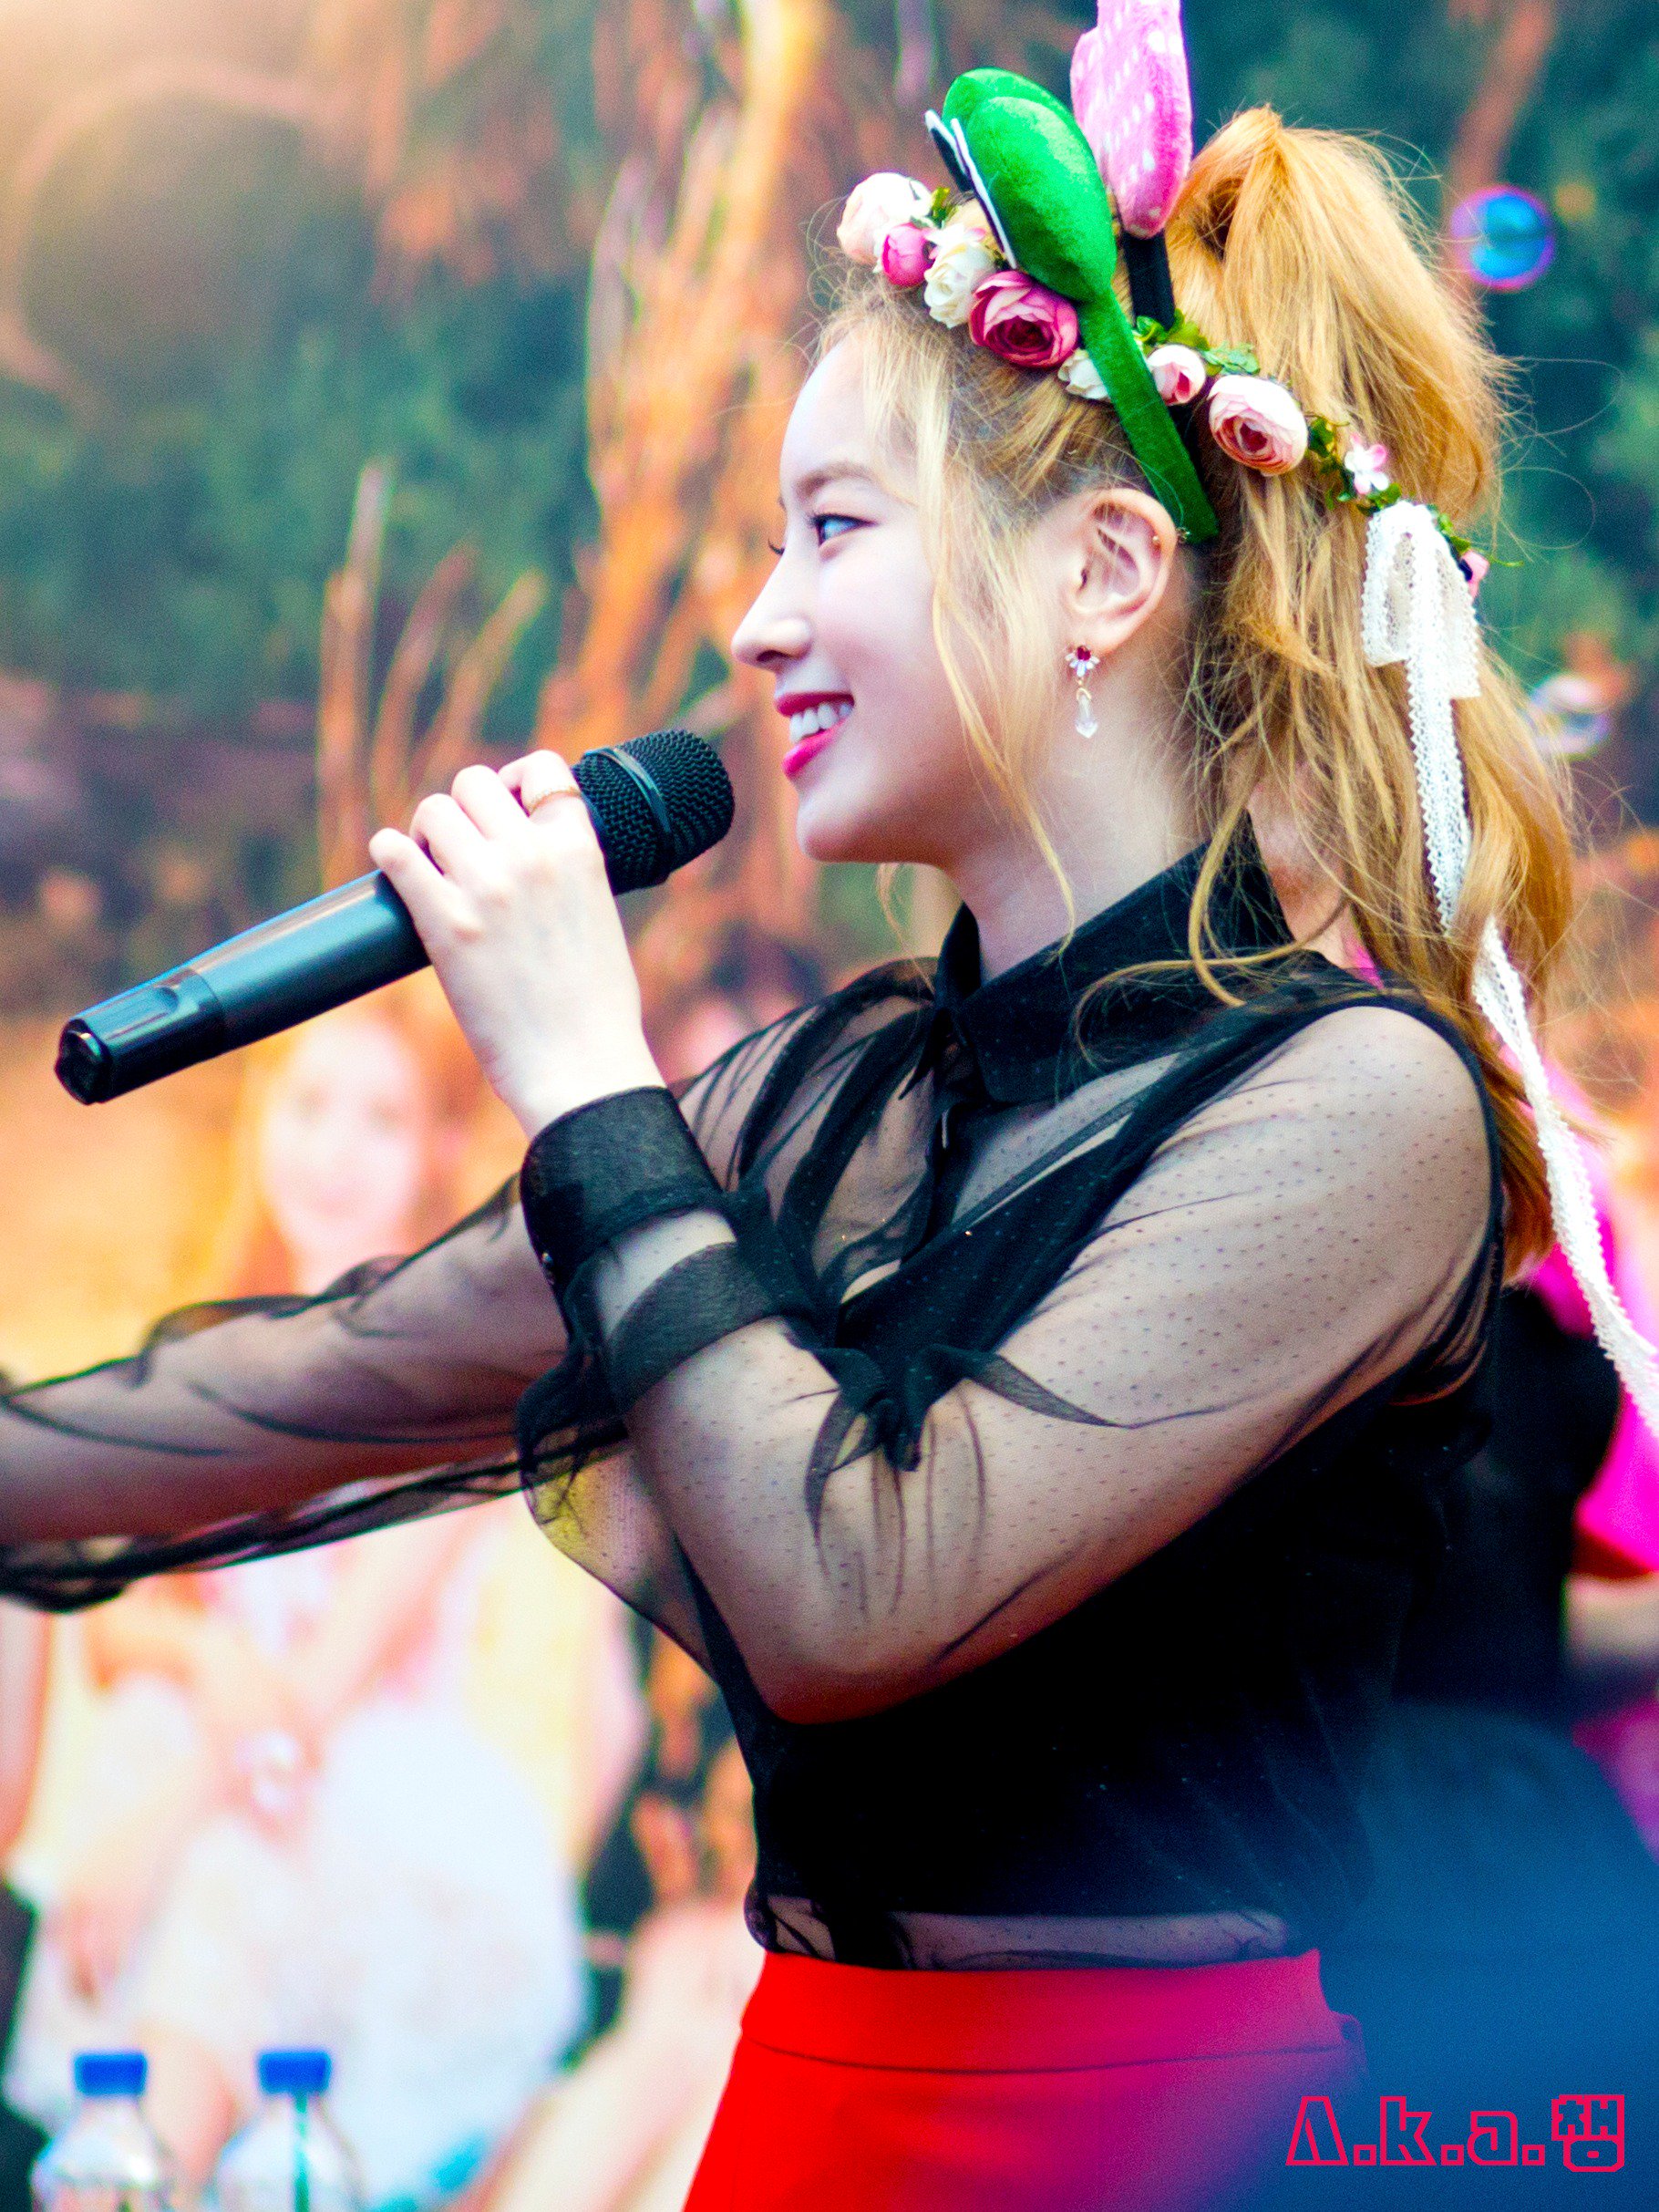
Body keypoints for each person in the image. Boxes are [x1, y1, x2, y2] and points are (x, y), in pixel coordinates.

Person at [0, 63, 1628, 2208]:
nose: (757, 615)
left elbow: (859, 1587)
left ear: (1106, 571)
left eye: (833, 529)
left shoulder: (1356, 1107)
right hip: (802, 2119)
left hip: (1161, 2148)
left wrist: (586, 1075)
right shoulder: (828, 1100)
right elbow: (301, 1388)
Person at [3, 985, 594, 2207]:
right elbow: (117, 1617)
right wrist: (206, 1659)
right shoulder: (210, 1345)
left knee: (230, 1876)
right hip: (213, 1771)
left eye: (379, 1120)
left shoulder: (448, 1385)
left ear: (435, 1150)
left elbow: (324, 1684)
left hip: (358, 1803)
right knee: (209, 1878)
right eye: (310, 1104)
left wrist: (156, 1818)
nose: (332, 1151)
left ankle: (134, 2177)